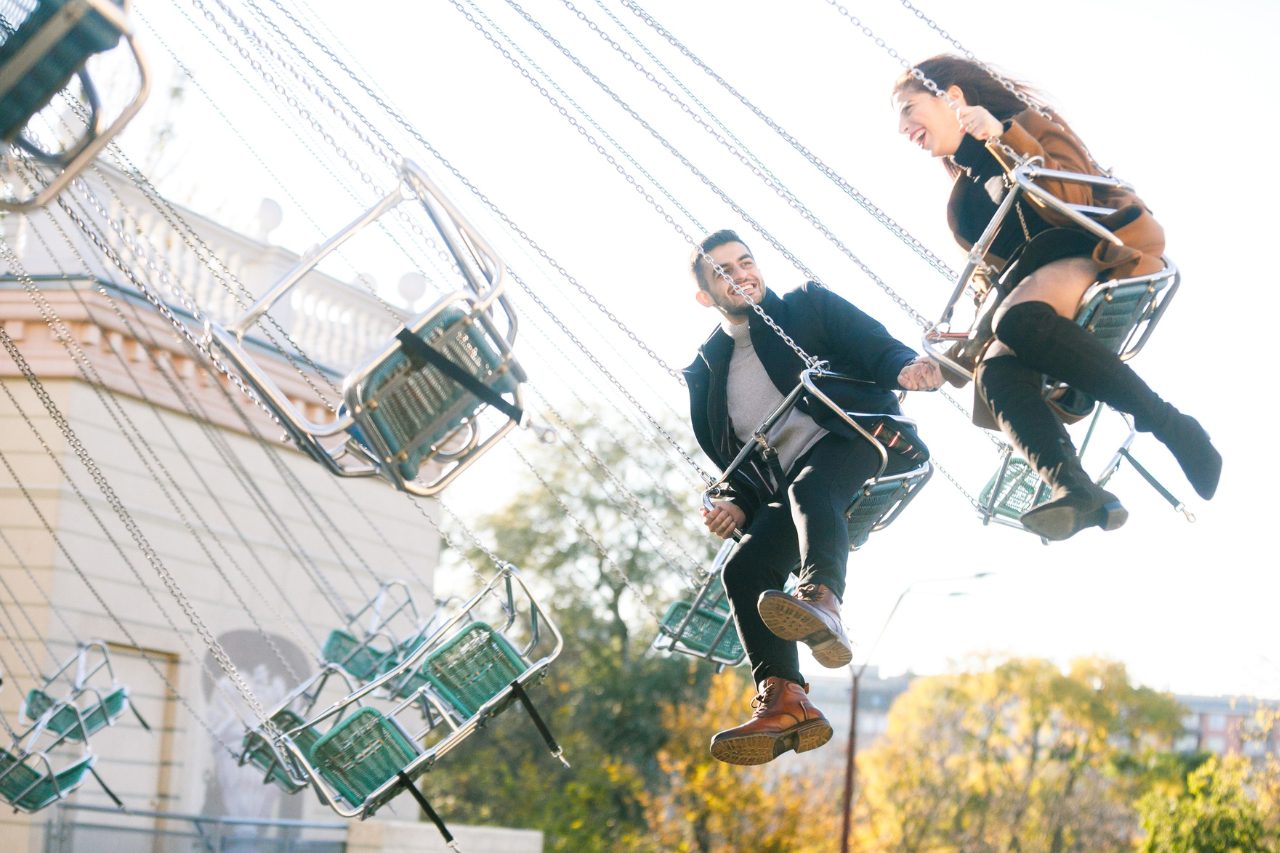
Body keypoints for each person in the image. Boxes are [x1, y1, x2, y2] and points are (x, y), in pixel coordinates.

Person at [892, 55, 1221, 540]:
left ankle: (1171, 425)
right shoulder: (962, 206)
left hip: (1089, 248)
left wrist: (1002, 138)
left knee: (1017, 321)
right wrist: (953, 361)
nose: (902, 128)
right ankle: (1074, 489)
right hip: (1027, 294)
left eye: (908, 109)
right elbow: (992, 291)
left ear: (953, 97)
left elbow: (1074, 190)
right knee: (996, 372)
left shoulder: (1030, 127)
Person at [684, 229, 941, 765]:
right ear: (706, 296)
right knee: (744, 568)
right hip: (789, 481)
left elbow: (872, 344)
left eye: (746, 262)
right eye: (723, 272)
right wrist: (737, 502)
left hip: (858, 438)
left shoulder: (804, 307)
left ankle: (823, 600)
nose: (741, 275)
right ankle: (785, 699)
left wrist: (905, 368)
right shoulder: (709, 369)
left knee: (812, 484)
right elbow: (733, 457)